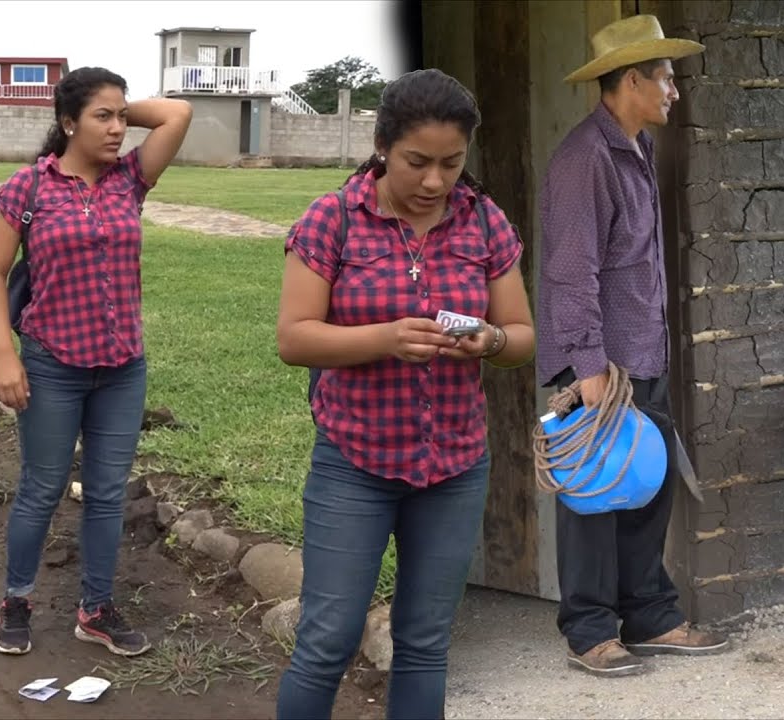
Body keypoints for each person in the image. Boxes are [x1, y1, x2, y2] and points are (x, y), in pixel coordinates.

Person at [274, 68, 535, 719]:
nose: (434, 182)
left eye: (451, 163)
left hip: (454, 465)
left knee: (423, 642)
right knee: (327, 639)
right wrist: (385, 337)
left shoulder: (485, 223)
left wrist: (491, 340)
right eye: (417, 161)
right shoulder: (333, 220)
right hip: (354, 463)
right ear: (383, 143)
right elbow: (295, 338)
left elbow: (524, 336)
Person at [536, 14, 728, 678]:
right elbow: (570, 270)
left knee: (647, 485)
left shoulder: (635, 146)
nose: (675, 90)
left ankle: (648, 615)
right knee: (594, 493)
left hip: (640, 354)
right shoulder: (585, 159)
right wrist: (588, 367)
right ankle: (589, 630)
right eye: (666, 79)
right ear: (628, 83)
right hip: (601, 363)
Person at [0, 67, 192, 656]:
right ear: (67, 123)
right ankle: (16, 599)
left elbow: (178, 114)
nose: (119, 128)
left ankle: (95, 609)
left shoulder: (131, 180)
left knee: (105, 492)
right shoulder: (30, 188)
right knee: (42, 488)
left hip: (122, 367)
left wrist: (112, 104)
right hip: (51, 364)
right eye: (104, 117)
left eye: (123, 116)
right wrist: (5, 356)